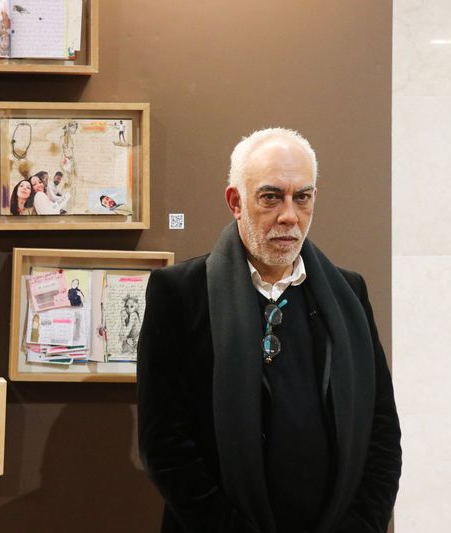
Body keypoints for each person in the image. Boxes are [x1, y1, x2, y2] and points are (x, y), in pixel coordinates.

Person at [137, 128, 401, 533]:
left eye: (302, 197)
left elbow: (381, 434)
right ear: (235, 202)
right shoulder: (180, 294)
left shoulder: (349, 293)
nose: (289, 216)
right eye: (271, 197)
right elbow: (166, 446)